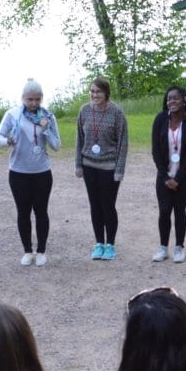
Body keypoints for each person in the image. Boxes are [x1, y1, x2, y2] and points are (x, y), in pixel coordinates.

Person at [0, 79, 62, 266]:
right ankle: (27, 251)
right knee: (23, 212)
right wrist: (8, 141)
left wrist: (46, 130)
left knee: (41, 211)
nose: (34, 103)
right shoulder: (13, 114)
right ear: (23, 97)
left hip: (42, 172)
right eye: (30, 99)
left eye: (37, 99)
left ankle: (41, 251)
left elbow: (57, 146)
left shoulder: (48, 116)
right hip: (18, 172)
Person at [74, 78, 129, 261]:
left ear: (106, 93)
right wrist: (78, 165)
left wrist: (119, 170)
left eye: (98, 91)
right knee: (95, 205)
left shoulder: (116, 113)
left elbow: (123, 143)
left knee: (108, 206)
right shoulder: (84, 110)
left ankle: (110, 245)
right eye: (92, 91)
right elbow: (79, 140)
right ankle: (99, 243)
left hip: (109, 167)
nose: (94, 95)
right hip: (89, 166)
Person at [151, 85, 186, 264]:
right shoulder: (159, 119)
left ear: (183, 100)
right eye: (169, 98)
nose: (171, 101)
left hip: (185, 176)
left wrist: (178, 178)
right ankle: (163, 247)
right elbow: (155, 151)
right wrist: (166, 178)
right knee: (164, 211)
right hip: (164, 176)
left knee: (180, 211)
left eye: (175, 98)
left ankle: (179, 247)